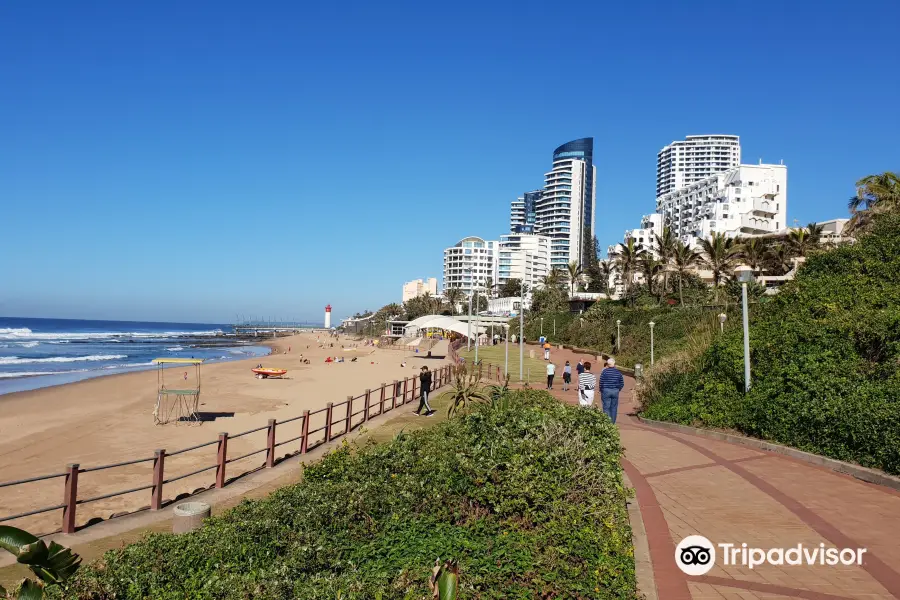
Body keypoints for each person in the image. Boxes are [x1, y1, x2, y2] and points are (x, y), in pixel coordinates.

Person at [600, 358, 625, 424]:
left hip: (606, 390)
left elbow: (601, 382)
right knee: (614, 408)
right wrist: (618, 389)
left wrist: (601, 390)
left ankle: (607, 422)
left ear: (608, 364)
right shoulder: (618, 372)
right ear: (614, 364)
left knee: (606, 407)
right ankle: (612, 423)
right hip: (615, 391)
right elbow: (622, 383)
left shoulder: (604, 372)